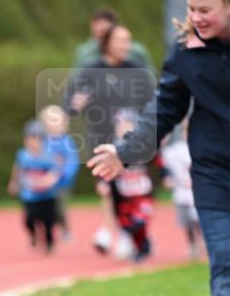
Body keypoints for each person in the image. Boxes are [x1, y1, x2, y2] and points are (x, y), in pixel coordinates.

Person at [88, 0, 230, 296]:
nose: (198, 17)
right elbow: (162, 112)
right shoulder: (186, 52)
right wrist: (124, 151)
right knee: (225, 264)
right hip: (215, 176)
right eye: (192, 8)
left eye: (206, 9)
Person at [68, 23, 155, 255]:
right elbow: (70, 102)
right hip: (101, 138)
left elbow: (155, 104)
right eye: (120, 41)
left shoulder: (138, 71)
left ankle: (131, 232)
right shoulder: (90, 70)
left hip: (133, 141)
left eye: (128, 40)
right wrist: (75, 104)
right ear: (106, 43)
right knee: (107, 189)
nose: (125, 46)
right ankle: (116, 231)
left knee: (132, 189)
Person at [104, 108, 154, 262]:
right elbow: (106, 167)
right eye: (119, 125)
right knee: (126, 224)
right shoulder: (113, 147)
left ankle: (144, 247)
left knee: (139, 221)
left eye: (127, 124)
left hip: (141, 193)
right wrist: (104, 182)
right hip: (124, 194)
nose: (123, 128)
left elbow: (157, 161)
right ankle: (138, 247)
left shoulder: (143, 145)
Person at [8, 121, 61, 253]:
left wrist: (49, 180)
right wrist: (14, 183)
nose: (33, 143)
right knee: (29, 220)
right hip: (30, 195)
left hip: (47, 196)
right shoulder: (23, 155)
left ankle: (49, 243)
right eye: (30, 139)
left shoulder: (48, 157)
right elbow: (18, 169)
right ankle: (33, 235)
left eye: (37, 139)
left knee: (48, 222)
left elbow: (56, 171)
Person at [161, 121, 202, 260]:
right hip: (182, 192)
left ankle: (202, 243)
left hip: (199, 192)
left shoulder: (201, 148)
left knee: (200, 221)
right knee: (187, 223)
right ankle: (192, 246)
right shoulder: (176, 150)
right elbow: (164, 160)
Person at [38, 105, 78, 241]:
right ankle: (45, 232)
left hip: (62, 184)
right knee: (42, 209)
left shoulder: (67, 142)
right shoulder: (41, 142)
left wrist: (59, 175)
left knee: (59, 207)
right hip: (42, 183)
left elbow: (72, 163)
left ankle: (65, 230)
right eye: (50, 119)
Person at [73, 8, 154, 72]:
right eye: (97, 31)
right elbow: (76, 81)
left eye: (105, 33)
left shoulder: (137, 52)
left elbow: (150, 78)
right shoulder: (84, 52)